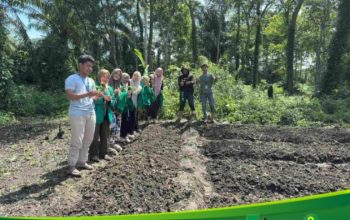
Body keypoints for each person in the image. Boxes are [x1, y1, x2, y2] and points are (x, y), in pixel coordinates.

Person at [64, 54, 100, 177]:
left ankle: (82, 162)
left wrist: (99, 95)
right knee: (77, 140)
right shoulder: (72, 78)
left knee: (88, 139)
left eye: (91, 67)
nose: (90, 69)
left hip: (90, 112)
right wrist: (87, 94)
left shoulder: (91, 81)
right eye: (88, 66)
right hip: (77, 113)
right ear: (81, 65)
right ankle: (71, 166)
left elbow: (92, 97)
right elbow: (70, 96)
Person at [89, 69, 115, 162]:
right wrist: (103, 99)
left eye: (107, 77)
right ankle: (93, 155)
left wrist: (110, 100)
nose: (106, 78)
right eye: (104, 76)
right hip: (96, 114)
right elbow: (93, 100)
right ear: (99, 76)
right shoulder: (95, 86)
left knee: (105, 135)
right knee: (94, 136)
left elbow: (113, 101)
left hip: (107, 115)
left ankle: (104, 153)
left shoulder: (110, 88)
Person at [118, 73, 134, 143]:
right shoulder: (120, 86)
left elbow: (130, 95)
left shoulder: (129, 86)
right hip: (121, 107)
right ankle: (122, 136)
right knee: (122, 121)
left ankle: (126, 134)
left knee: (127, 120)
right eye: (125, 77)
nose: (126, 79)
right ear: (121, 78)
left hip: (127, 106)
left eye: (127, 78)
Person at [109, 68, 122, 143]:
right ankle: (110, 143)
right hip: (111, 108)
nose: (117, 76)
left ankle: (115, 141)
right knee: (112, 126)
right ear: (112, 73)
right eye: (116, 73)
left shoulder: (119, 84)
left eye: (119, 75)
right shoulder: (108, 83)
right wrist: (114, 93)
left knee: (117, 125)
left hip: (118, 108)